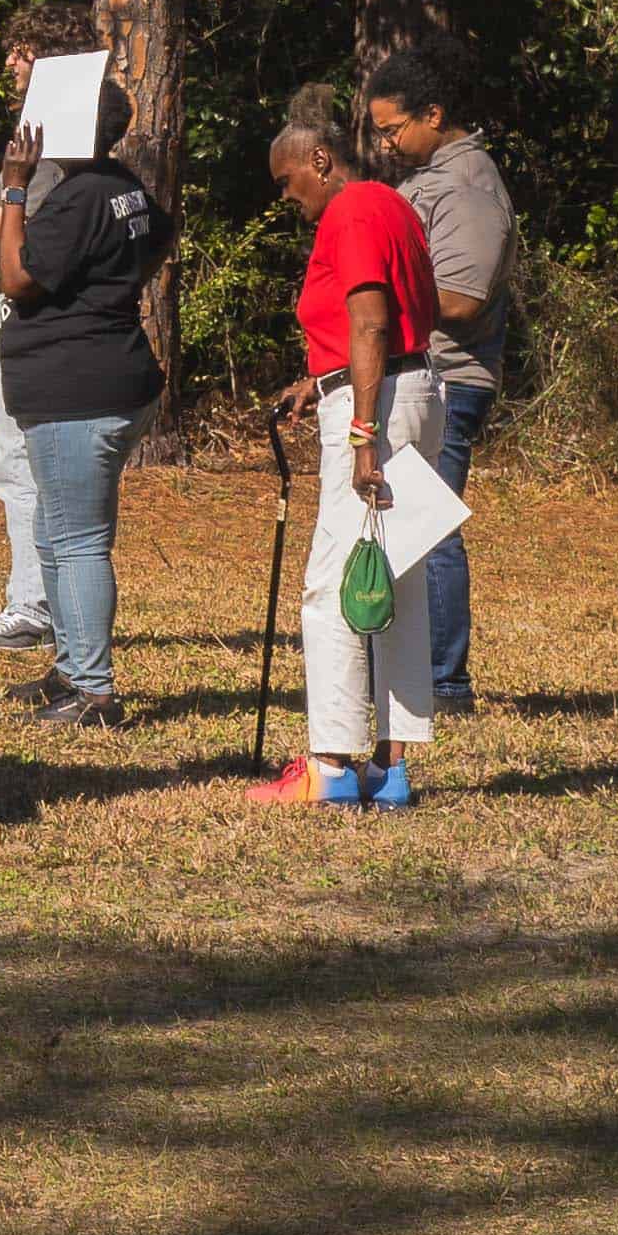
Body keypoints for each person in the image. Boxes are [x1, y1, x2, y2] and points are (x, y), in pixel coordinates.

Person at [0, 54, 172, 735]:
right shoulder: (123, 186)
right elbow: (160, 237)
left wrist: (12, 190)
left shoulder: (79, 195)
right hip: (106, 376)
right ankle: (70, 666)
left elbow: (19, 279)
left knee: (77, 538)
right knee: (53, 533)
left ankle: (93, 689)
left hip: (76, 390)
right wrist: (107, 292)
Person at [267, 82, 439, 811]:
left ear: (319, 156)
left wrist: (361, 433)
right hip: (403, 389)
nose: (284, 195)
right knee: (393, 579)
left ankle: (331, 764)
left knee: (332, 580)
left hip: (379, 407)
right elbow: (370, 327)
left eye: (286, 179)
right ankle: (391, 770)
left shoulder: (352, 208)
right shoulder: (390, 202)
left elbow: (370, 322)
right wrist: (321, 379)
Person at [359, 35, 514, 714]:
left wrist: (376, 295)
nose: (386, 143)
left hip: (451, 377)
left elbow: (461, 296)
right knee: (411, 521)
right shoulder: (430, 179)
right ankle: (417, 670)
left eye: (393, 129)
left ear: (433, 113)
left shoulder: (467, 184)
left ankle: (444, 681)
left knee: (430, 525)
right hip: (424, 372)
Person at [0, 0, 85, 653]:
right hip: (46, 311)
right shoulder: (71, 130)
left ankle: (31, 603)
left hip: (19, 307)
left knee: (18, 458)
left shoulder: (47, 138)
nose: (9, 60)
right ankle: (47, 601)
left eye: (22, 49)